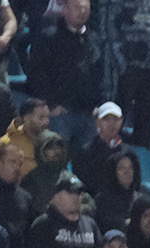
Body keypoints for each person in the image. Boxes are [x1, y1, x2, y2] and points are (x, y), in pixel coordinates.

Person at [25, 0, 100, 148]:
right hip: (59, 115)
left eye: (86, 8)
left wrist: (98, 104)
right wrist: (50, 105)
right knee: (56, 159)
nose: (82, 11)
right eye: (77, 7)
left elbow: (101, 74)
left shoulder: (95, 40)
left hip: (88, 115)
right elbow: (37, 73)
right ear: (65, 9)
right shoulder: (48, 37)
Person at [102, 0, 150, 147]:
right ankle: (108, 152)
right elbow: (109, 29)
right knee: (117, 112)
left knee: (147, 118)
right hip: (129, 67)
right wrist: (122, 63)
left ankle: (140, 157)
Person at [0, 99, 51, 186]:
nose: (46, 122)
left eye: (47, 117)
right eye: (41, 117)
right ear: (27, 118)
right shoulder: (5, 143)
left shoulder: (52, 143)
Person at [72, 101, 124, 189]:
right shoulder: (85, 151)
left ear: (121, 121)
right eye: (107, 119)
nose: (111, 124)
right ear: (98, 122)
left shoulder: (127, 152)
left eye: (115, 119)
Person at [93, 147, 141, 234]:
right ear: (113, 171)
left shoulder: (140, 198)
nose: (127, 172)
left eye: (130, 168)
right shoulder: (103, 199)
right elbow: (107, 224)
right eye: (121, 168)